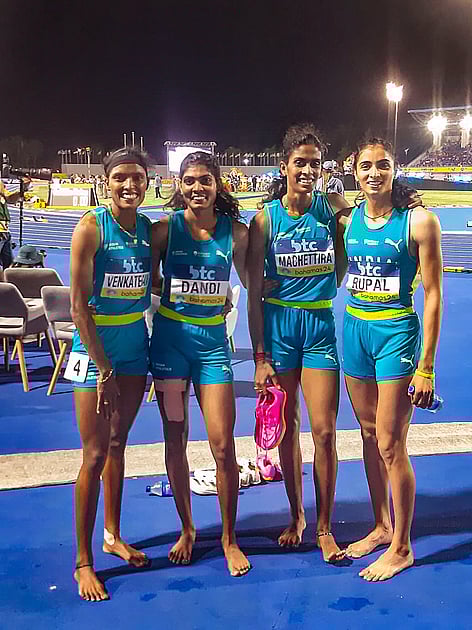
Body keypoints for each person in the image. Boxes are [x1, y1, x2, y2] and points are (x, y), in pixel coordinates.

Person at [336, 137, 443, 581]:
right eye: (366, 166)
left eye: (382, 165)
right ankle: (381, 526)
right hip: (355, 328)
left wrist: (426, 366)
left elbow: (434, 294)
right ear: (355, 172)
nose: (374, 173)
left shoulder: (419, 222)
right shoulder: (348, 219)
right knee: (365, 434)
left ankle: (402, 546)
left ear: (394, 168)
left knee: (390, 443)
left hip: (396, 331)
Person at [247, 124, 351, 563]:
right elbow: (252, 289)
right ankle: (297, 517)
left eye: (315, 163)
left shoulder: (331, 209)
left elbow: (347, 252)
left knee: (325, 431)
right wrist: (259, 356)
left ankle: (324, 527)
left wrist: (328, 283)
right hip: (279, 328)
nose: (308, 170)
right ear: (284, 165)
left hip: (319, 326)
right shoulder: (266, 218)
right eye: (300, 163)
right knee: (287, 427)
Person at [150, 151, 250, 577]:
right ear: (179, 184)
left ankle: (229, 537)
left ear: (218, 184)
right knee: (175, 440)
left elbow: (256, 284)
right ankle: (187, 529)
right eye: (189, 180)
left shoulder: (237, 234)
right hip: (170, 348)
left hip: (212, 349)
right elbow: (144, 279)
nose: (197, 188)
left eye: (205, 180)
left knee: (222, 445)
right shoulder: (163, 230)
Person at [69, 147, 152, 601]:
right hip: (96, 350)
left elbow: (154, 282)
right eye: (120, 177)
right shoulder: (90, 228)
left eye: (137, 177)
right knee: (95, 454)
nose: (129, 185)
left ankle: (113, 534)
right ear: (106, 182)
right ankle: (84, 561)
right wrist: (103, 367)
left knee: (120, 444)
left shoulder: (146, 229)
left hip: (135, 347)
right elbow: (79, 309)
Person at [0, 177, 30, 270]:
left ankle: (6, 283)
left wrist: (22, 189)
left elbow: (11, 199)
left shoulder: (2, 195)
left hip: (5, 232)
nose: (3, 186)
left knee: (8, 265)